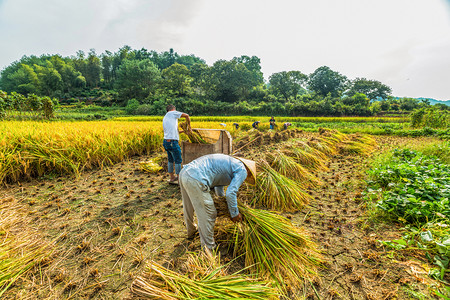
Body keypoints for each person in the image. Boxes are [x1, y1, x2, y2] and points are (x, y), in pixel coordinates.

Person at [179, 154, 256, 250]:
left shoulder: (230, 163)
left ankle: (191, 231)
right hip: (196, 177)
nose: (246, 178)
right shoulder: (242, 170)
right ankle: (209, 248)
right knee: (209, 213)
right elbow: (231, 193)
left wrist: (223, 201)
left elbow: (218, 183)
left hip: (185, 172)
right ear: (249, 171)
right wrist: (234, 213)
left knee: (188, 206)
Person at [162, 104, 191, 184]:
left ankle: (172, 178)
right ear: (173, 109)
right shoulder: (172, 113)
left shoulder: (165, 117)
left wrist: (185, 131)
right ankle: (179, 180)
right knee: (178, 160)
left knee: (171, 160)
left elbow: (176, 131)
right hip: (172, 142)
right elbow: (187, 116)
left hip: (166, 142)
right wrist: (189, 127)